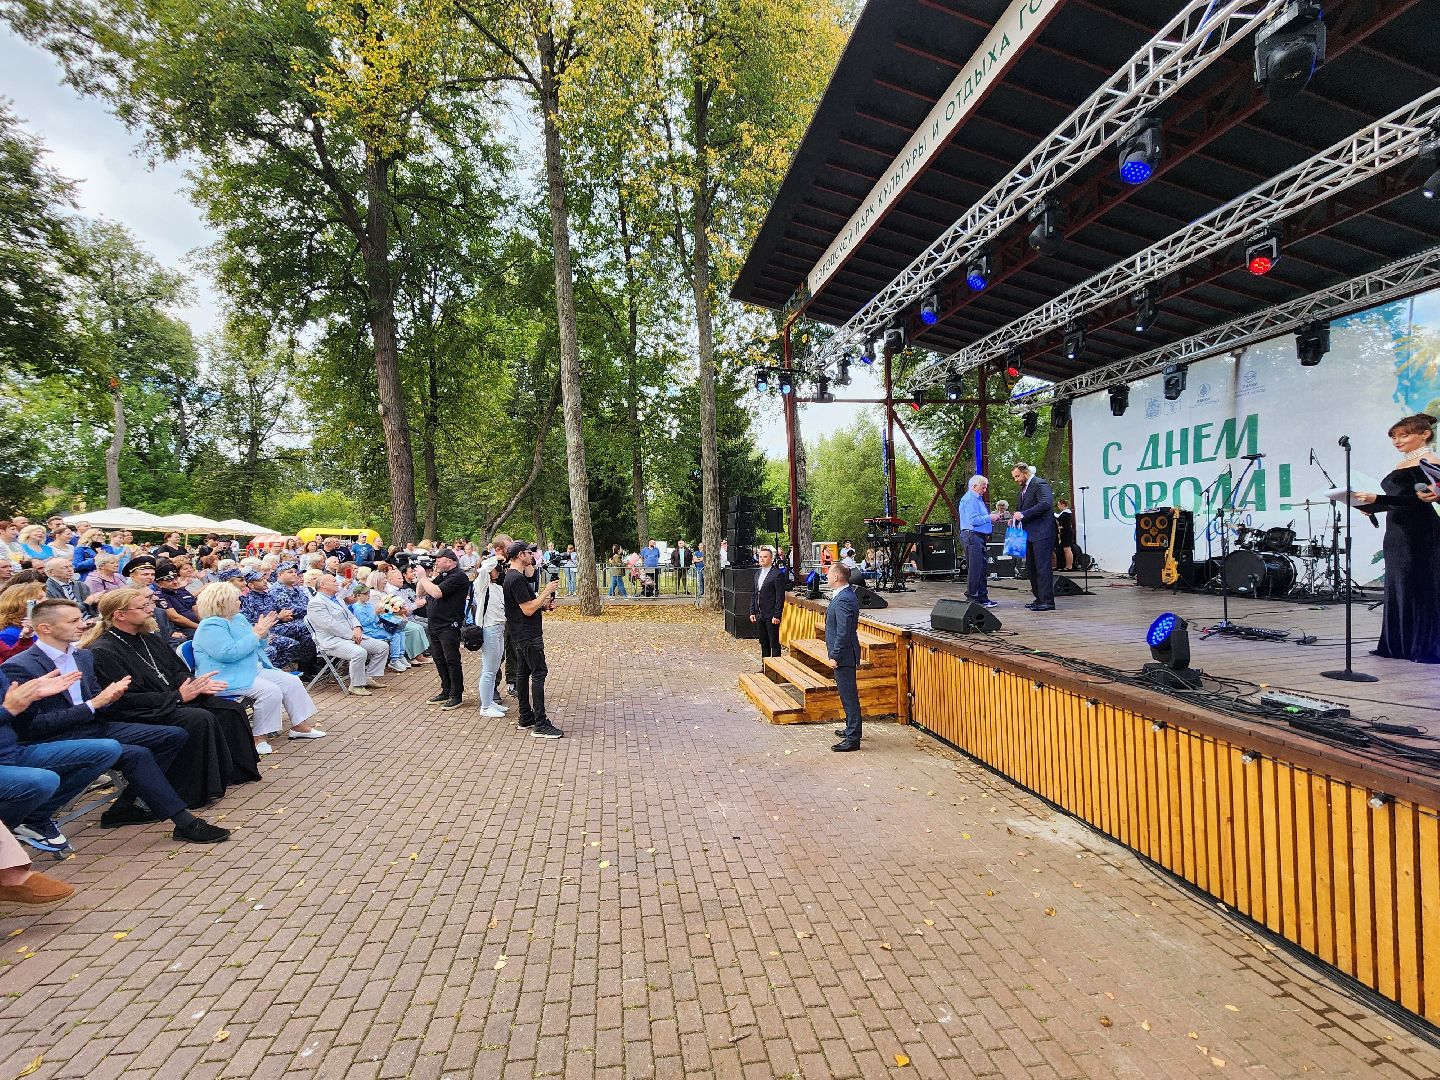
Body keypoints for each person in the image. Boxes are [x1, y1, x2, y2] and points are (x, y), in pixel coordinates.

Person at [3, 599, 229, 843]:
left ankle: (128, 804)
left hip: (94, 726)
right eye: (73, 621)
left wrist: (111, 698)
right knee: (136, 754)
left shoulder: (82, 656)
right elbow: (31, 727)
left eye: (80, 618)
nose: (83, 625)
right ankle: (185, 822)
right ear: (45, 628)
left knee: (174, 734)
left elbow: (98, 703)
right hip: (58, 737)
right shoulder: (21, 667)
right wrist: (95, 704)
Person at [85, 589, 261, 807]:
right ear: (119, 615)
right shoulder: (103, 650)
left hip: (172, 698)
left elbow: (177, 670)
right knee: (198, 718)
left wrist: (195, 685)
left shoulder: (150, 639)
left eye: (149, 604)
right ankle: (190, 791)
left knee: (228, 709)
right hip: (143, 710)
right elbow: (125, 698)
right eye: (142, 607)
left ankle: (230, 774)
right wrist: (177, 697)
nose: (151, 610)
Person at [0, 666, 122, 855]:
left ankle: (34, 818)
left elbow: (20, 725)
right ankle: (7, 830)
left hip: (14, 753)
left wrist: (31, 701)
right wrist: (7, 710)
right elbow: (7, 713)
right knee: (44, 780)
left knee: (107, 749)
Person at [192, 582, 324, 754]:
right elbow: (227, 654)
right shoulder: (211, 625)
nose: (240, 602)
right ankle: (258, 737)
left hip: (250, 668)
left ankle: (299, 726)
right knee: (270, 691)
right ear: (222, 602)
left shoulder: (238, 618)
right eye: (236, 600)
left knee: (291, 681)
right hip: (224, 674)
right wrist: (256, 634)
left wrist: (263, 633)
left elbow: (257, 644)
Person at [1351, 413, 1440, 663]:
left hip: (1419, 532)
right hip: (1396, 532)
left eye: (1404, 435)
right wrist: (1372, 506)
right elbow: (1398, 503)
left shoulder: (1430, 460)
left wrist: (1378, 499)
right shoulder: (1401, 464)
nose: (1397, 441)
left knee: (1417, 585)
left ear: (1425, 434)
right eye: (1394, 437)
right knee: (1398, 585)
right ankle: (1398, 644)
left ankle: (1421, 646)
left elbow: (1419, 501)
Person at [502, 542, 562, 738]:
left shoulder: (512, 577)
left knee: (523, 673)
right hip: (528, 635)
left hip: (520, 633)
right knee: (538, 673)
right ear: (520, 555)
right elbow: (527, 609)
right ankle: (540, 722)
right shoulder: (516, 579)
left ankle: (525, 715)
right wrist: (546, 591)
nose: (532, 556)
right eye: (529, 552)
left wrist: (543, 606)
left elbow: (526, 605)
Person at [306, 573, 389, 695]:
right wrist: (351, 635)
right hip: (332, 640)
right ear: (323, 585)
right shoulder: (316, 603)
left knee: (382, 647)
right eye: (334, 581)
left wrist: (357, 627)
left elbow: (351, 616)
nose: (337, 583)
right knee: (359, 653)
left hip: (352, 636)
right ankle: (356, 685)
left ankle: (368, 677)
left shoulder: (338, 599)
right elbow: (329, 625)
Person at [414, 548, 471, 709]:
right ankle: (446, 690)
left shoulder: (458, 576)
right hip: (435, 623)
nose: (436, 562)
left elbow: (437, 593)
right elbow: (421, 592)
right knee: (439, 658)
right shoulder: (442, 576)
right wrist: (423, 576)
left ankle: (456, 694)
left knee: (451, 659)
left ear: (450, 561)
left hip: (448, 624)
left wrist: (424, 577)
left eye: (439, 559)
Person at [239, 568, 318, 674]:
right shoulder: (248, 601)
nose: (265, 581)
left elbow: (282, 611)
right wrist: (279, 617)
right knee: (304, 627)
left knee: (307, 637)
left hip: (278, 626)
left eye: (264, 578)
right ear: (251, 585)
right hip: (265, 632)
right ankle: (270, 671)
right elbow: (251, 623)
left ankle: (306, 669)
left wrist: (284, 617)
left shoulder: (268, 595)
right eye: (260, 580)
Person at [824, 561, 863, 753]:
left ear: (837, 577)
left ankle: (853, 737)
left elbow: (844, 630)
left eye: (829, 574)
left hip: (844, 655)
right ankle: (850, 728)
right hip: (843, 653)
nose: (826, 576)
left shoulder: (845, 598)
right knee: (845, 694)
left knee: (849, 696)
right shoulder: (842, 595)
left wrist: (835, 654)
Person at [1011, 462, 1057, 611]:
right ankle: (1039, 598)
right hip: (1029, 534)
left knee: (1042, 567)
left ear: (1025, 472)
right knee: (1031, 568)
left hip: (1042, 533)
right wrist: (1015, 518)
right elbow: (1021, 510)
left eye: (1017, 476)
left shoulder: (1039, 484)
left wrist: (1024, 514)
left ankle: (1047, 601)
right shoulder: (1023, 490)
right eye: (1014, 477)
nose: (1016, 479)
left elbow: (1046, 504)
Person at [959, 475, 1002, 609]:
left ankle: (982, 597)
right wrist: (990, 517)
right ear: (974, 486)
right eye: (983, 487)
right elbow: (973, 520)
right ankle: (973, 598)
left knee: (982, 568)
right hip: (973, 536)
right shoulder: (971, 499)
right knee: (976, 568)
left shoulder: (976, 499)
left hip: (977, 536)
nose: (985, 490)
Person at [473, 557, 507, 717]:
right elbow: (486, 567)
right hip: (490, 629)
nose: (498, 571)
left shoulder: (497, 588)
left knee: (494, 669)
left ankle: (490, 702)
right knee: (488, 670)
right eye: (496, 568)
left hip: (500, 628)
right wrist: (496, 557)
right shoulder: (481, 586)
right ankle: (485, 707)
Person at [349, 583, 407, 672]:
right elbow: (364, 623)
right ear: (358, 596)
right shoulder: (358, 608)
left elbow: (377, 617)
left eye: (368, 593)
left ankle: (400, 655)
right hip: (368, 631)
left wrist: (383, 613)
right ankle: (394, 660)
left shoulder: (368, 605)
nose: (368, 595)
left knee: (400, 631)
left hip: (375, 628)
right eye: (365, 594)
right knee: (395, 636)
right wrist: (375, 613)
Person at [749, 546, 789, 662]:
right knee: (763, 642)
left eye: (765, 557)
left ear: (771, 559)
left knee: (774, 642)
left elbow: (779, 596)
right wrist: (752, 611)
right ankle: (765, 666)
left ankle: (776, 668)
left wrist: (777, 615)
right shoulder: (757, 573)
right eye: (760, 557)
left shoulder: (777, 574)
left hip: (771, 614)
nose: (762, 559)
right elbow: (754, 593)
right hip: (760, 613)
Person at [1055, 498, 1077, 571]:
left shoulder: (1066, 513)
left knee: (1067, 549)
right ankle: (1067, 565)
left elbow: (1066, 524)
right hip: (1065, 532)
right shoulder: (1065, 513)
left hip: (1067, 533)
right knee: (1066, 549)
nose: (1058, 506)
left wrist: (1060, 527)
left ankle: (1069, 566)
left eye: (1059, 505)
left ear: (1063, 504)